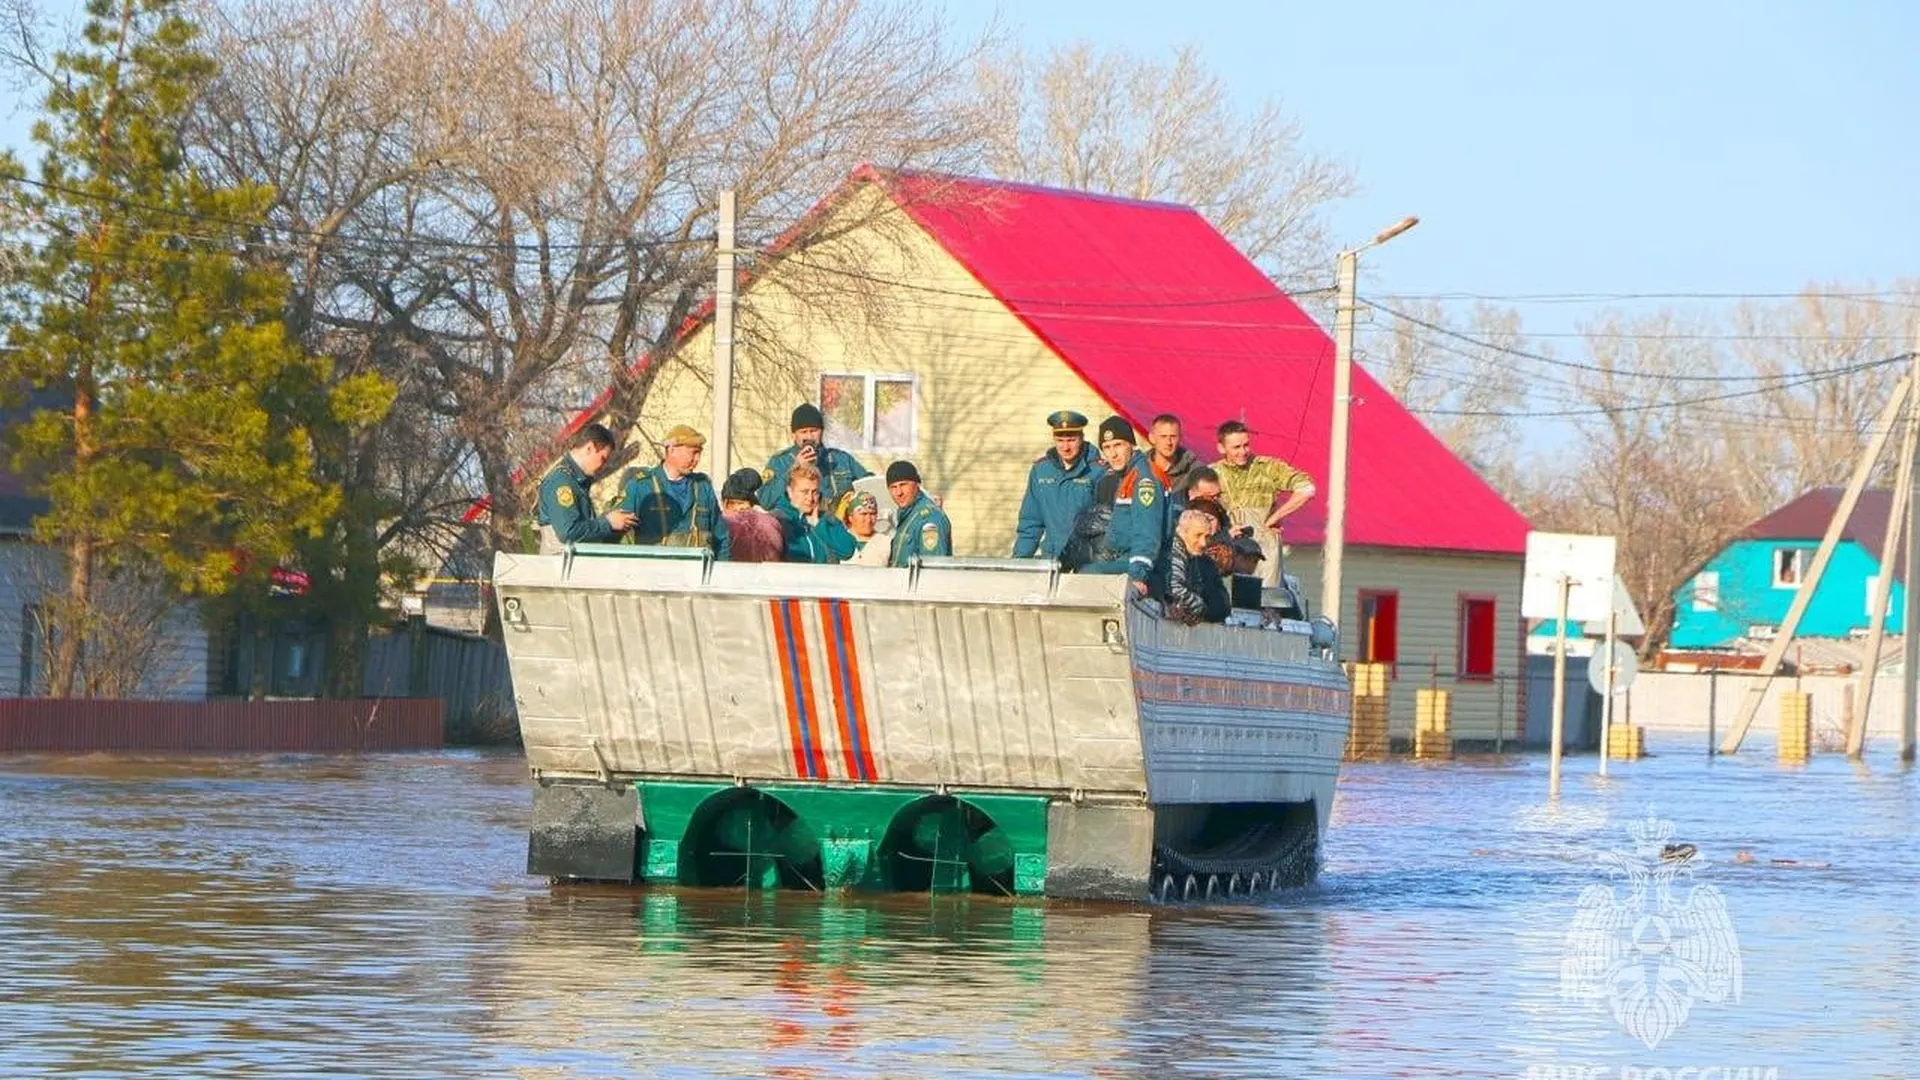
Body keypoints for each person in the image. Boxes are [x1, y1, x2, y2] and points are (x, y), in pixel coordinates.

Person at [1212, 419, 1316, 586]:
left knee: (1266, 600)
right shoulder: (1212, 474)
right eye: (1236, 447)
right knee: (1228, 601)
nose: (1243, 451)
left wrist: (1275, 518)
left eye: (1246, 445)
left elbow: (1307, 488)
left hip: (1263, 545)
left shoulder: (1268, 467)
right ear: (1221, 448)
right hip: (1229, 547)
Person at [1077, 415, 1167, 593]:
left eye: (1118, 445)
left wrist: (1138, 575)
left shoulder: (1143, 480)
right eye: (1107, 448)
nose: (1113, 454)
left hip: (1142, 566)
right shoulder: (1127, 476)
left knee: (1087, 576)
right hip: (1121, 559)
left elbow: (1147, 533)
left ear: (1131, 445)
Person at [617, 425, 730, 559]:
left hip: (694, 576)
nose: (698, 459)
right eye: (694, 452)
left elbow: (722, 539)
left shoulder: (703, 488)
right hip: (653, 576)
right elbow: (618, 535)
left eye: (700, 453)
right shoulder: (641, 486)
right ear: (671, 450)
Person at [1012, 409, 1103, 560]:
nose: (1065, 447)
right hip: (1051, 559)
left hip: (1086, 562)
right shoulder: (1041, 471)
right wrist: (1019, 560)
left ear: (1082, 438)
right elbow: (1031, 522)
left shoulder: (1098, 471)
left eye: (1071, 440)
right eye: (1060, 440)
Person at [534, 422, 636, 553]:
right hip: (561, 568)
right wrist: (608, 523)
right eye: (603, 459)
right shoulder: (562, 481)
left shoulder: (576, 481)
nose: (603, 466)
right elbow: (568, 532)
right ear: (589, 448)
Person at [763, 403, 871, 509]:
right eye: (804, 432)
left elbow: (870, 485)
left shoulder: (841, 459)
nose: (809, 436)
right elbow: (765, 501)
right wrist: (794, 468)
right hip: (797, 525)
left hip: (837, 523)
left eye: (814, 431)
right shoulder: (780, 461)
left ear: (822, 432)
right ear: (794, 435)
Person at [771, 462, 856, 563]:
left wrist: (819, 525)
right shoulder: (777, 520)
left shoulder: (828, 519)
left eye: (814, 492)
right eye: (804, 492)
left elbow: (847, 551)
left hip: (825, 577)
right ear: (790, 491)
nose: (810, 498)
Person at [1160, 509, 1232, 625]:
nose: (1203, 543)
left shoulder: (1193, 554)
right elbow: (1175, 589)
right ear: (1183, 532)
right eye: (1198, 535)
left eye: (1207, 536)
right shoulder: (1174, 551)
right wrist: (1201, 608)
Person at [885, 460, 951, 567]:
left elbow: (933, 570)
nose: (899, 493)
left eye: (903, 485)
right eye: (893, 487)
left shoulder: (929, 519)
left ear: (917, 484)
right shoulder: (907, 516)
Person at [720, 467, 785, 563]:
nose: (736, 509)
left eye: (740, 504)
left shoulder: (721, 522)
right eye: (731, 504)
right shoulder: (775, 523)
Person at [1146, 413, 1200, 500]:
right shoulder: (1139, 468)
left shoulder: (1193, 470)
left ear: (1180, 438)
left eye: (1173, 436)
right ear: (1152, 438)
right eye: (1163, 436)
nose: (1169, 442)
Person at [837, 489, 892, 566]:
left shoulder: (886, 542)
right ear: (850, 517)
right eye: (863, 514)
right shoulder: (839, 540)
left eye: (872, 514)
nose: (869, 520)